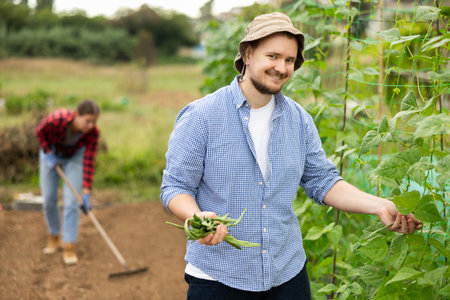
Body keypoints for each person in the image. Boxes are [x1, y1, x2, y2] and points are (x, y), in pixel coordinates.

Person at [160, 12, 422, 299]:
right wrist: (198, 218)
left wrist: (379, 205)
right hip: (219, 275)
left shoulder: (299, 120)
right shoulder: (202, 117)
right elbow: (175, 187)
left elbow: (322, 181)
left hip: (286, 274)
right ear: (248, 54)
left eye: (289, 60)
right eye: (272, 56)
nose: (281, 68)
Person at [35, 99, 100, 265]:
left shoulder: (93, 133)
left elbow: (89, 161)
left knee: (72, 201)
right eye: (87, 121)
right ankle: (54, 237)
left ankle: (69, 246)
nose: (91, 125)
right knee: (49, 199)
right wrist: (48, 152)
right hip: (51, 153)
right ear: (77, 115)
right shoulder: (57, 119)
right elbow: (39, 131)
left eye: (94, 121)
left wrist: (86, 192)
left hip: (74, 158)